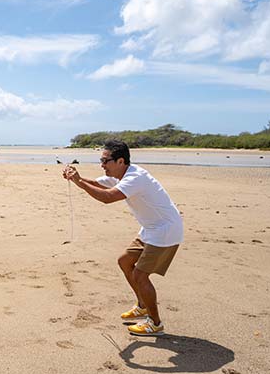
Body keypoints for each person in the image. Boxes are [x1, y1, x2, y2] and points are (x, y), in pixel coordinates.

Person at [62, 140, 183, 336]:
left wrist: (80, 182)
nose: (102, 165)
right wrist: (78, 179)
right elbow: (98, 184)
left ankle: (155, 323)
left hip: (165, 230)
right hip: (150, 229)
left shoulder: (135, 177)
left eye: (105, 161)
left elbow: (107, 197)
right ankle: (142, 306)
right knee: (125, 261)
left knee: (140, 275)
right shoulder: (121, 174)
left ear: (120, 161)